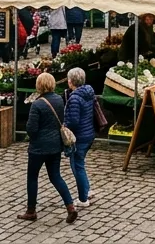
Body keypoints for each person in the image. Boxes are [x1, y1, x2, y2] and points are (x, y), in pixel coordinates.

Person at [18, 72, 75, 223]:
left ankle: (31, 211)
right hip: (55, 146)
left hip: (38, 148)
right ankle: (70, 207)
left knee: (32, 177)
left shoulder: (37, 104)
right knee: (56, 176)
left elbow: (31, 129)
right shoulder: (59, 100)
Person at [62, 67, 97, 210]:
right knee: (80, 164)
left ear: (71, 82)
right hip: (89, 134)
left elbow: (73, 121)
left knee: (77, 166)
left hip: (80, 137)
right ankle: (87, 190)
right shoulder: (88, 93)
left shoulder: (75, 98)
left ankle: (83, 199)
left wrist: (64, 125)